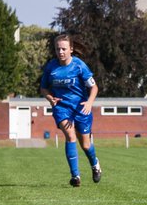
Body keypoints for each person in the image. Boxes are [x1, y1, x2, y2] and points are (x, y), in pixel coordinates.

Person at [40, 34, 102, 187]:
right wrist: (50, 98)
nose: (60, 52)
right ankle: (75, 176)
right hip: (61, 108)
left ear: (71, 49)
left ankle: (95, 164)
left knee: (86, 145)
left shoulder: (79, 66)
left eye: (63, 49)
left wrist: (89, 102)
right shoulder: (51, 67)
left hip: (81, 108)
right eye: (57, 49)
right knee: (70, 135)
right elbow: (43, 88)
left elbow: (93, 87)